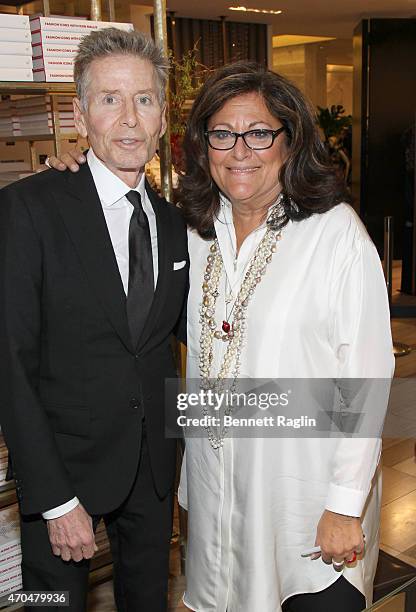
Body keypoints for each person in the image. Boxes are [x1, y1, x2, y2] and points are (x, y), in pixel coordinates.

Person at [48, 61, 394, 612]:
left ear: (289, 140)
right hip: (215, 504)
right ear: (202, 146)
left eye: (258, 133)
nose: (240, 151)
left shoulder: (335, 235)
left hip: (305, 506)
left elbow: (367, 378)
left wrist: (346, 503)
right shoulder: (191, 232)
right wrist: (78, 169)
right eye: (222, 134)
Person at [0, 28, 188, 612]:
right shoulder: (29, 208)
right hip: (64, 476)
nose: (129, 118)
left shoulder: (175, 221)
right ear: (81, 116)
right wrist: (54, 500)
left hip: (154, 472)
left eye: (144, 99)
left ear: (162, 118)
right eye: (110, 99)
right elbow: (9, 363)